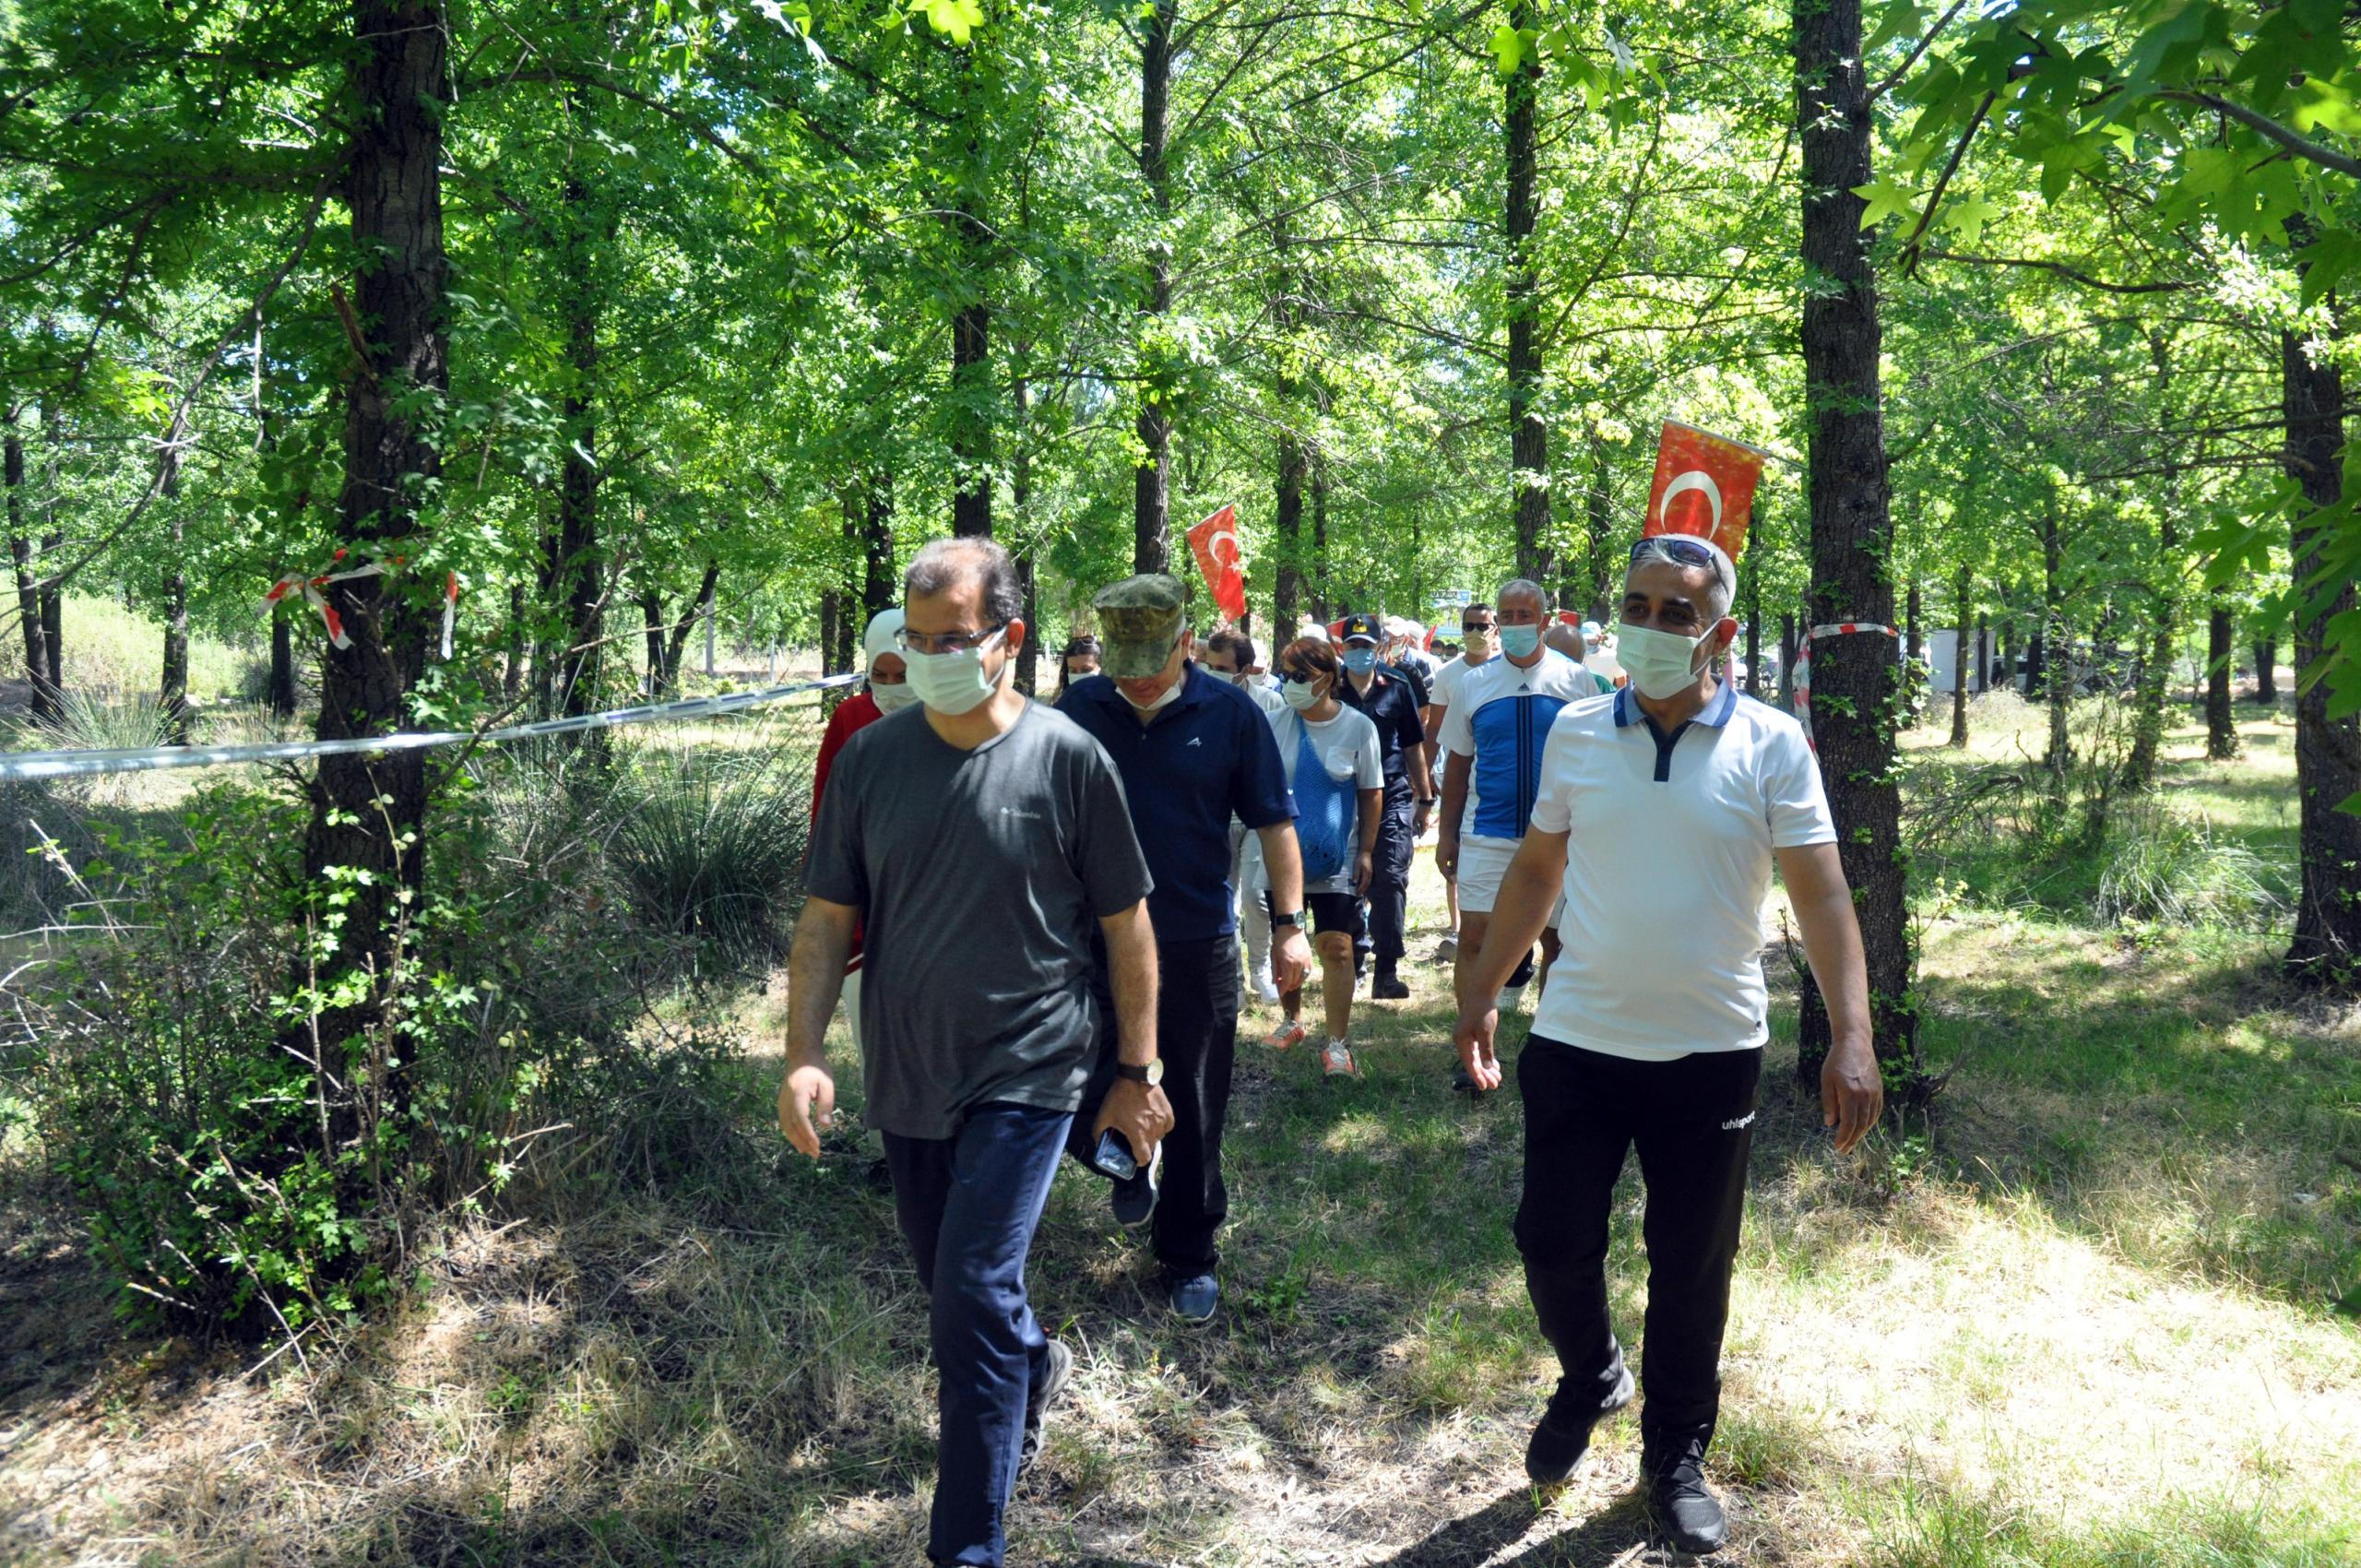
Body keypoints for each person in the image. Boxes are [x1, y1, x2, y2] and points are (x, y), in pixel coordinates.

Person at [1451, 533, 1883, 1555]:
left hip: (1709, 1051)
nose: (1649, 627)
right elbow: (1534, 871)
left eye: (1675, 612)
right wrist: (1479, 997)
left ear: (1718, 632)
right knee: (1549, 1238)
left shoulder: (1771, 742)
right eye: (1635, 606)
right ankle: (1590, 1371)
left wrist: (1851, 1033)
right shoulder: (1574, 730)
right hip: (1577, 1037)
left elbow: (1820, 893)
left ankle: (1674, 1453)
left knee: (1692, 1263)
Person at [778, 538, 1171, 1568]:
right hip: (907, 1069)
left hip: (1034, 1067)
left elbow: (1128, 926)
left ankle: (967, 1543)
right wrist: (803, 1052)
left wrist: (1136, 1074)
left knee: (967, 1292)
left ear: (1011, 639)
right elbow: (826, 920)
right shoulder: (870, 758)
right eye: (915, 641)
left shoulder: (1067, 757)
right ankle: (1029, 1367)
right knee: (963, 1295)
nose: (933, 659)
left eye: (955, 638)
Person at [1058, 576, 1312, 1324]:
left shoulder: (1232, 714)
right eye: (1121, 662)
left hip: (1195, 938)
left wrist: (1291, 922)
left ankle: (1189, 1252)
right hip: (1089, 939)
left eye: (1151, 660)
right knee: (1070, 1070)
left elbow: (1275, 824)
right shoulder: (1078, 710)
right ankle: (1121, 1148)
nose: (1135, 678)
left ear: (1185, 643)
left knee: (1199, 1102)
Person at [1434, 579, 1594, 1087]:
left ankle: (1552, 1049)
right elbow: (1457, 766)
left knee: (1560, 943)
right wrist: (1447, 834)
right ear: (1498, 621)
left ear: (1546, 621)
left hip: (1560, 838)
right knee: (1477, 940)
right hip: (1489, 832)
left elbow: (1596, 763)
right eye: (1509, 614)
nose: (1517, 622)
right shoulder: (1472, 684)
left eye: (1528, 614)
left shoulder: (1576, 681)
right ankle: (1476, 1051)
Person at [1259, 636, 1384, 1075]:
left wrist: (1366, 851)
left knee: (1338, 947)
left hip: (1338, 861)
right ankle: (1292, 1020)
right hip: (1283, 861)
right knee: (1287, 942)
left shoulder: (1357, 727)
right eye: (1286, 675)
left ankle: (1337, 1042)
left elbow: (1371, 794)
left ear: (1328, 680)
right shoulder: (1273, 724)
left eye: (1301, 676)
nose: (1290, 684)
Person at [809, 608, 918, 1049]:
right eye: (881, 675)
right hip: (866, 908)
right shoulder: (850, 720)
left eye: (903, 674)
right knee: (877, 1050)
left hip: (933, 907)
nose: (892, 688)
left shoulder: (952, 718)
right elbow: (825, 811)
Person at [1333, 612, 1432, 1000]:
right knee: (1345, 882)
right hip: (1340, 797)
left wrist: (1424, 798)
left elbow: (1413, 746)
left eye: (1366, 647)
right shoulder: (1330, 689)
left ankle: (1386, 969)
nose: (1359, 652)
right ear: (1342, 649)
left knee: (1389, 878)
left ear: (1379, 649)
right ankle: (1353, 960)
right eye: (1353, 646)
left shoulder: (1397, 687)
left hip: (1391, 794)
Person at [1202, 627, 1287, 1004]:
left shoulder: (1269, 704)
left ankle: (1261, 972)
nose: (1214, 672)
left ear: (1246, 669)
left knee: (1255, 896)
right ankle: (1231, 979)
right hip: (1215, 815)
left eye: (1222, 667)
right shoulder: (1197, 702)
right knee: (1223, 900)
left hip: (1256, 816)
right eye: (1209, 665)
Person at [1421, 603, 1496, 963]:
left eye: (1483, 625)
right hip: (1456, 772)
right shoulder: (1449, 674)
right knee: (1455, 842)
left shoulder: (1504, 671)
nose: (1476, 631)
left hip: (1496, 776)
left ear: (1495, 629)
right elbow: (1434, 727)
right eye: (1469, 625)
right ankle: (1458, 925)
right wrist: (1422, 775)